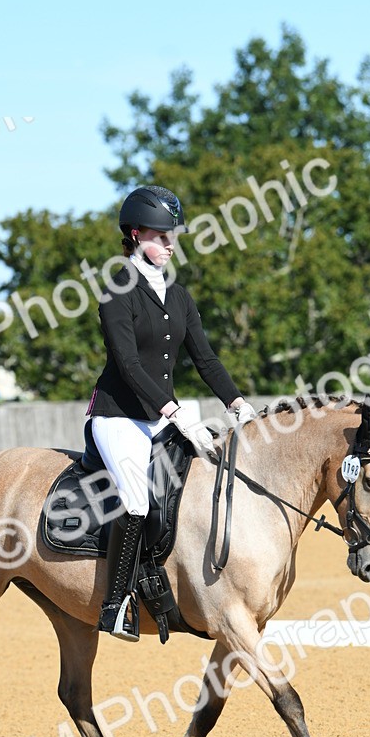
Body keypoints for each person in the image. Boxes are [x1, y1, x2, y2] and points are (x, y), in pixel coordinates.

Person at [86, 184, 256, 640]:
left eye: (173, 236)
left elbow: (206, 360)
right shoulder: (117, 290)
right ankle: (116, 605)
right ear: (136, 234)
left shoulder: (178, 296)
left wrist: (239, 405)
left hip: (163, 417)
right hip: (119, 416)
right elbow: (128, 364)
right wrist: (176, 413)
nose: (170, 244)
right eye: (161, 236)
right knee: (137, 499)